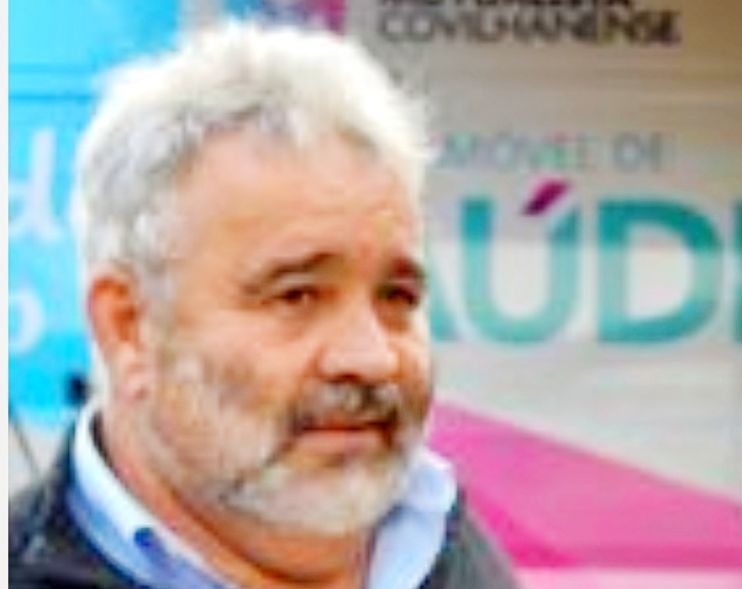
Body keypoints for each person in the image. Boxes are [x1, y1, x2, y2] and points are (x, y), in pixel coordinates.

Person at [9, 21, 519, 589]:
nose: (372, 358)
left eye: (397, 295)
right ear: (129, 327)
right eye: (297, 295)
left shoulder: (445, 545)